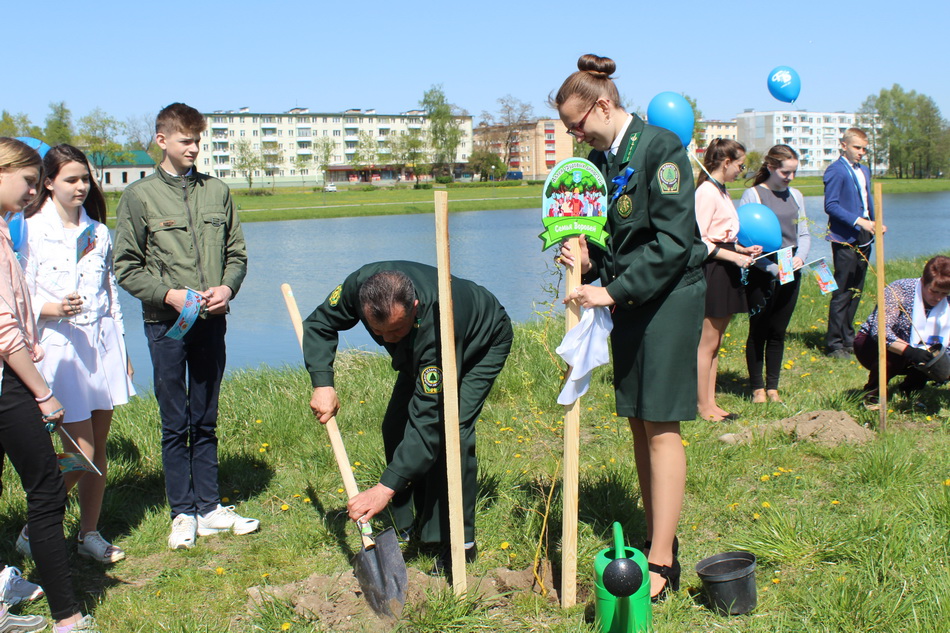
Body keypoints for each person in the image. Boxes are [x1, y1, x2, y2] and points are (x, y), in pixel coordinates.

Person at [553, 54, 707, 601]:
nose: (575, 135)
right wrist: (587, 257)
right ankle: (652, 536)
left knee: (661, 424)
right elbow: (616, 235)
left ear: (603, 104)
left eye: (577, 124)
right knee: (639, 422)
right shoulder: (605, 157)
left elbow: (671, 244)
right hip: (634, 303)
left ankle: (663, 561)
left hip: (667, 300)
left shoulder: (660, 149)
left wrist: (611, 290)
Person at [302, 261, 512, 573]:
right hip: (422, 347)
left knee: (451, 432)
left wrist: (383, 488)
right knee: (395, 427)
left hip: (480, 340)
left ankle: (457, 541)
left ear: (414, 306)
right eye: (378, 331)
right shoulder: (357, 287)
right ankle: (409, 524)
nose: (387, 340)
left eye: (396, 330)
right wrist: (323, 383)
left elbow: (429, 421)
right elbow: (319, 324)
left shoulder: (439, 323)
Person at [114, 103, 257, 550]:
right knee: (175, 422)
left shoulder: (217, 192)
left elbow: (237, 254)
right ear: (162, 141)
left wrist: (227, 289)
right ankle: (182, 513)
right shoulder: (139, 197)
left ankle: (211, 507)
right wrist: (169, 295)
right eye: (185, 140)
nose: (194, 148)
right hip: (166, 326)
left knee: (206, 417)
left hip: (211, 323)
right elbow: (125, 267)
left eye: (198, 140)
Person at [16, 145, 134, 565]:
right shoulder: (27, 229)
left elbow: (109, 292)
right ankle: (37, 524)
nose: (81, 186)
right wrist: (52, 308)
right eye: (71, 179)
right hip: (57, 347)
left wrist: (121, 347)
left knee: (97, 447)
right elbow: (16, 296)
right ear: (48, 182)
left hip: (100, 345)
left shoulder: (98, 231)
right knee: (78, 450)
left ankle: (89, 533)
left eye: (85, 178)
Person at [0, 137, 99, 633]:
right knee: (45, 493)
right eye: (29, 181)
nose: (32, 191)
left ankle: (3, 584)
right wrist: (42, 390)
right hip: (10, 384)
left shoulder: (2, 231)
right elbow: (3, 329)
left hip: (17, 368)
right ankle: (68, 616)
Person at [694, 139, 761, 421]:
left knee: (717, 341)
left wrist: (743, 249)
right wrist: (734, 257)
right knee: (706, 342)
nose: (741, 170)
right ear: (726, 163)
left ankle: (711, 402)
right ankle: (702, 405)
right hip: (714, 269)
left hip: (727, 266)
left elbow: (723, 234)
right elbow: (698, 240)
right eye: (740, 165)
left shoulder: (722, 191)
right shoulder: (706, 192)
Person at [739, 145, 811, 403]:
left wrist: (800, 258)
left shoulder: (797, 196)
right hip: (763, 273)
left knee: (778, 331)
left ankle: (773, 387)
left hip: (791, 270)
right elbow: (746, 238)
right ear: (770, 167)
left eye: (794, 172)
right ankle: (757, 387)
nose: (790, 178)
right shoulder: (754, 194)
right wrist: (772, 269)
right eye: (785, 172)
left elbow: (803, 234)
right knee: (758, 329)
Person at [824, 127, 885, 358]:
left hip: (864, 235)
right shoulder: (836, 171)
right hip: (845, 237)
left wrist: (876, 223)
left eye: (864, 149)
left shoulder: (864, 171)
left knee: (856, 289)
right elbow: (831, 206)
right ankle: (834, 343)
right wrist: (859, 221)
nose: (861, 152)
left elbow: (867, 203)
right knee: (841, 290)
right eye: (857, 148)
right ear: (844, 145)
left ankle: (849, 339)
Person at [854, 256, 950, 400]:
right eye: (934, 291)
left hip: (919, 350)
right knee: (892, 356)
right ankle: (873, 392)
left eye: (944, 293)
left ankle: (910, 390)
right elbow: (880, 331)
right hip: (874, 345)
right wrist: (909, 351)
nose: (938, 298)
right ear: (923, 282)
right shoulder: (899, 290)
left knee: (932, 355)